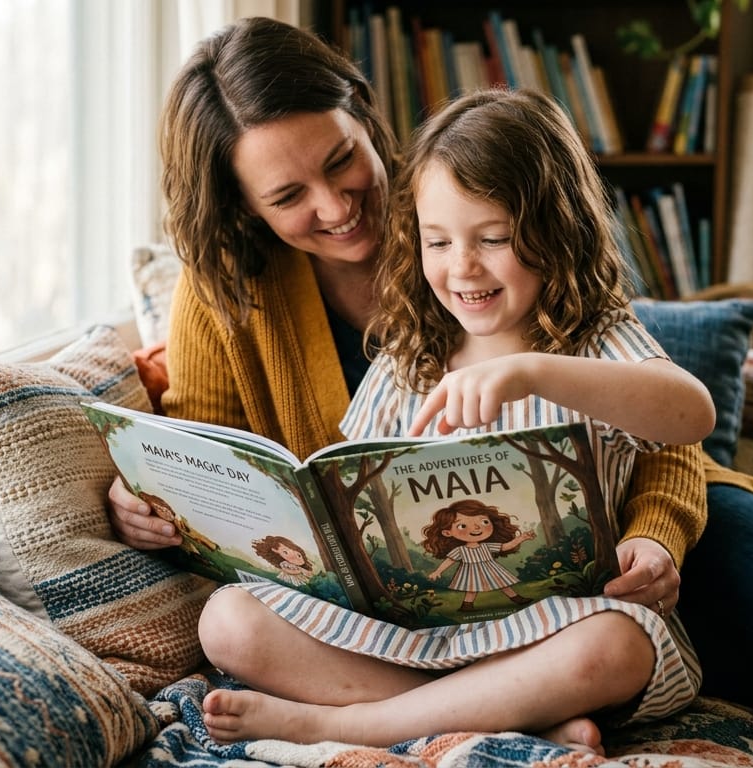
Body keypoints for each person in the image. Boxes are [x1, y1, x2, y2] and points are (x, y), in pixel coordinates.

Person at [109, 16, 753, 767]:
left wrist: (657, 537)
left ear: (363, 115)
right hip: (412, 607)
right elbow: (214, 450)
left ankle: (406, 714)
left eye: (341, 160)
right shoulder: (232, 295)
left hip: (611, 532)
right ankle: (501, 718)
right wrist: (151, 493)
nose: (335, 205)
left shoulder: (465, 188)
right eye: (287, 197)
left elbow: (668, 430)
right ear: (244, 209)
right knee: (229, 620)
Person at [197, 87, 724, 749]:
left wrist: (532, 371)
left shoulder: (595, 341)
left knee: (614, 645)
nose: (462, 267)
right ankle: (516, 715)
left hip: (558, 632)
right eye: (438, 241)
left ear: (557, 231)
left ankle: (356, 723)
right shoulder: (412, 352)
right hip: (424, 634)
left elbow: (691, 415)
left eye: (493, 238)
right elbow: (356, 493)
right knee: (228, 620)